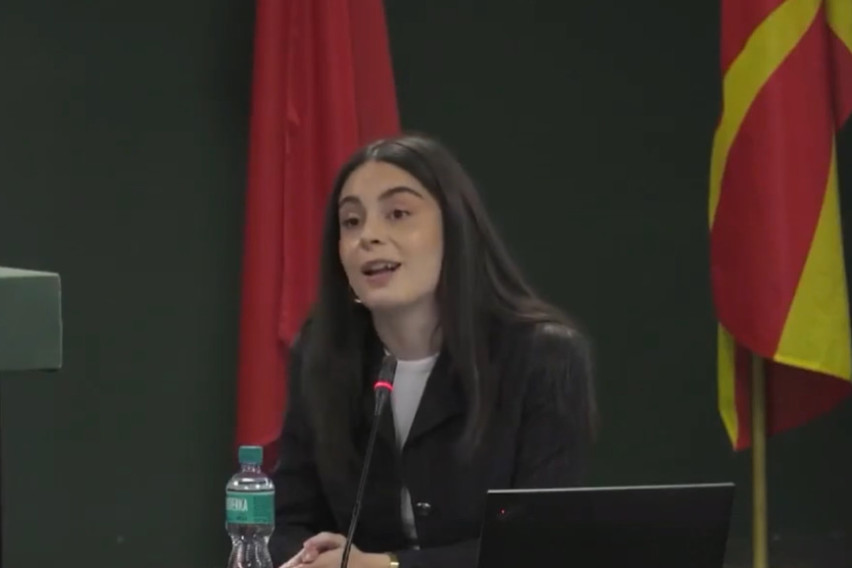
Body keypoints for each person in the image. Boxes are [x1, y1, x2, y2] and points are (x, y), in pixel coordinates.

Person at [269, 133, 596, 568]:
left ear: (455, 229)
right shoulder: (322, 355)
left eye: (398, 214)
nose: (369, 236)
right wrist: (308, 559)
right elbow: (286, 521)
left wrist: (387, 567)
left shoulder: (543, 358)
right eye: (351, 221)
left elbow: (542, 545)